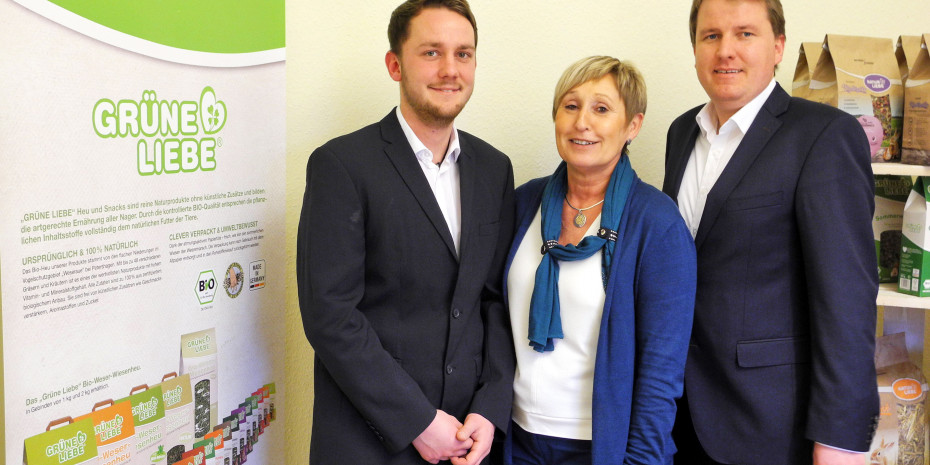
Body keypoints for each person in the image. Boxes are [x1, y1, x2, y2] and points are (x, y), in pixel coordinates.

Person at [296, 1, 516, 464]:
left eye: (464, 54)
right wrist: (417, 420)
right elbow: (330, 315)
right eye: (431, 53)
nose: (450, 70)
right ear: (395, 65)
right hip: (369, 441)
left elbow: (495, 301)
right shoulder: (342, 166)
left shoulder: (494, 169)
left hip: (467, 440)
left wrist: (490, 407)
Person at [662, 0, 879, 464]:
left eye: (745, 34)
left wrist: (840, 440)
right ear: (695, 48)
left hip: (772, 426)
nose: (726, 51)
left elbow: (846, 302)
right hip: (679, 420)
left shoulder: (823, 136)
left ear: (778, 46)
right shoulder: (681, 134)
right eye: (711, 36)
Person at [503, 55, 696, 465]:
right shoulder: (522, 203)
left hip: (599, 447)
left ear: (633, 127)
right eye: (570, 106)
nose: (581, 122)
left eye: (602, 109)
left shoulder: (656, 224)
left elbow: (661, 373)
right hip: (515, 440)